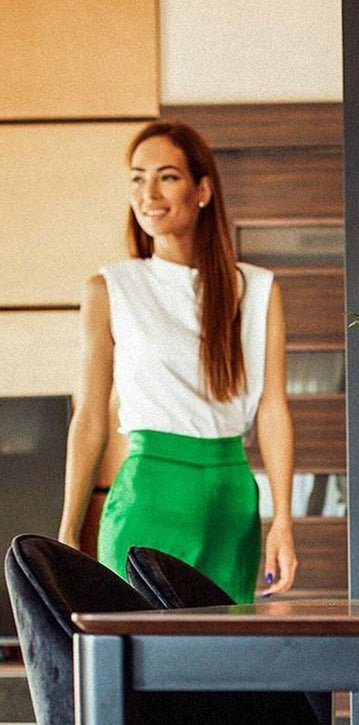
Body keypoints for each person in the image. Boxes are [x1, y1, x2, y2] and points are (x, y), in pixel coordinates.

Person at [58, 120, 297, 601]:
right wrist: (67, 530)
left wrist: (284, 522)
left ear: (202, 189)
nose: (149, 192)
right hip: (147, 495)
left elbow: (273, 409)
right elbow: (90, 417)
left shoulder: (256, 289)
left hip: (231, 500)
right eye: (137, 178)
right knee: (139, 662)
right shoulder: (111, 288)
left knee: (222, 668)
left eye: (166, 176)